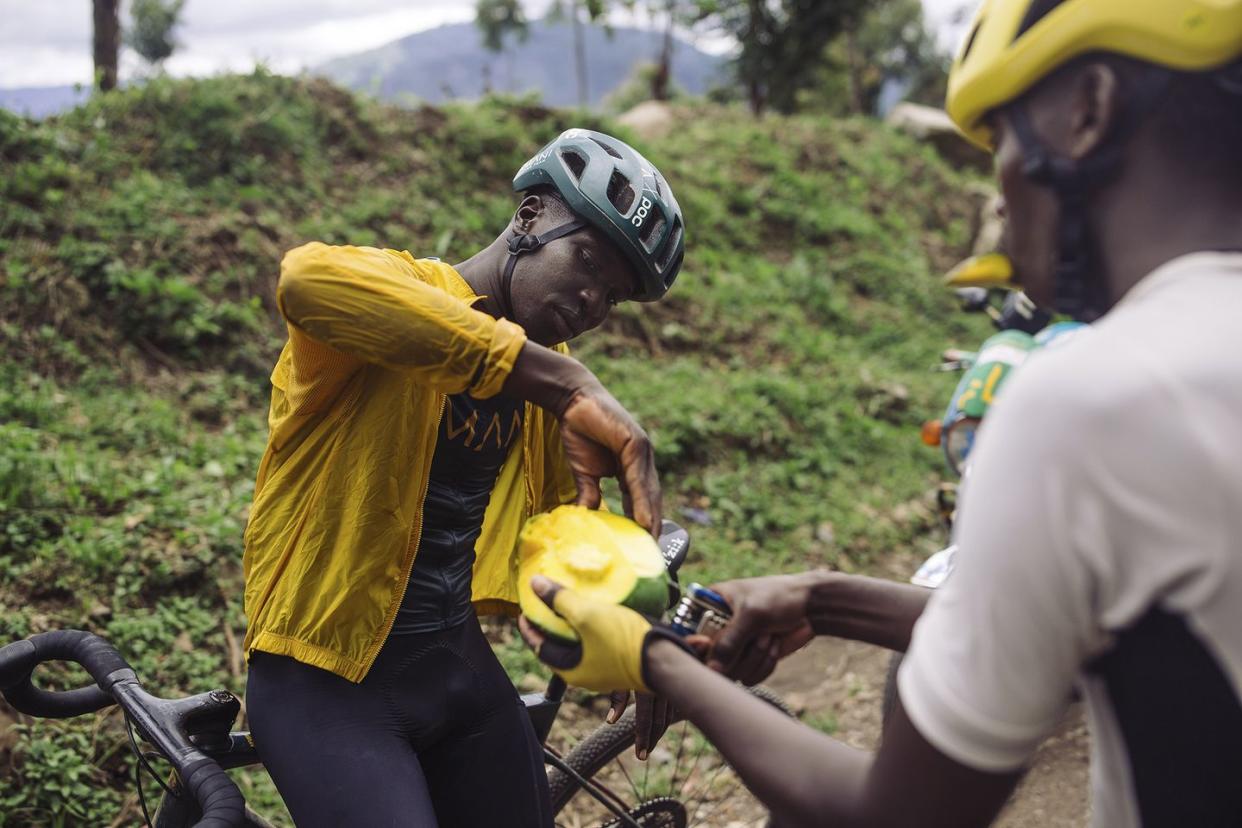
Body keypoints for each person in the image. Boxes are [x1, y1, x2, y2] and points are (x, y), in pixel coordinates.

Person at [520, 1, 1242, 825]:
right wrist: (826, 600)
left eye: (999, 137)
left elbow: (896, 813)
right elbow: (1117, 643)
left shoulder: (1090, 401)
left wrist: (658, 661)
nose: (998, 187)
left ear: (1089, 111)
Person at [241, 128, 684, 827]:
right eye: (589, 260)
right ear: (531, 216)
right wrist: (557, 379)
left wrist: (645, 621)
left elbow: (575, 521)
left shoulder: (547, 367)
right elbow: (305, 280)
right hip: (322, 676)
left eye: (615, 297)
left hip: (455, 665)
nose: (594, 300)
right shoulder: (410, 296)